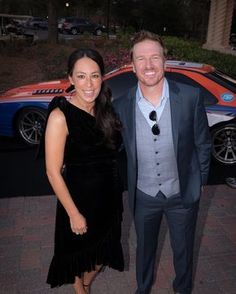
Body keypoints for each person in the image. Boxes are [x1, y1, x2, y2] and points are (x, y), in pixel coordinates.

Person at [113, 30, 212, 294]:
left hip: (182, 193)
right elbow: (112, 146)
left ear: (164, 61)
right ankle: (142, 289)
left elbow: (203, 142)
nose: (149, 65)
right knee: (144, 249)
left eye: (155, 57)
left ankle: (182, 289)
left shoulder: (190, 96)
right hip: (144, 195)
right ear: (132, 66)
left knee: (183, 250)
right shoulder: (121, 104)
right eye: (141, 59)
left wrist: (199, 181)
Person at [44, 48, 124, 293]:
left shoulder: (105, 109)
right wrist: (73, 214)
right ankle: (80, 287)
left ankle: (85, 282)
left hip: (109, 200)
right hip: (79, 203)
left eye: (95, 75)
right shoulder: (60, 116)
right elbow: (52, 171)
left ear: (102, 77)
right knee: (78, 255)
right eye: (81, 76)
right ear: (70, 78)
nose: (89, 84)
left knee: (101, 256)